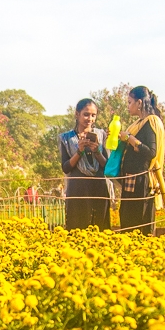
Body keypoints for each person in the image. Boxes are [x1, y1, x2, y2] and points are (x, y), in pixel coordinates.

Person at [117, 86, 165, 235]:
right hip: (131, 178)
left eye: (129, 102)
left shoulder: (151, 121)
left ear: (139, 103)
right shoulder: (138, 123)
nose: (128, 106)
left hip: (141, 181)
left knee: (138, 222)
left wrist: (129, 138)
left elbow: (151, 152)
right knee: (127, 220)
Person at [59, 98, 110, 231]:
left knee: (100, 229)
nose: (90, 119)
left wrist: (97, 151)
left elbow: (106, 165)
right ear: (77, 114)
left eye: (93, 115)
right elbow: (66, 167)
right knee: (77, 227)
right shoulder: (66, 138)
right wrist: (79, 151)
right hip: (78, 188)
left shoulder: (101, 135)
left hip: (99, 187)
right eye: (86, 114)